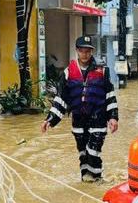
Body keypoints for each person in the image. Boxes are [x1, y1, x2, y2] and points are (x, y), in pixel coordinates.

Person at [41, 36, 119, 182]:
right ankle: (85, 181)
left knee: (93, 151)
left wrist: (113, 117)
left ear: (92, 52)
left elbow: (110, 95)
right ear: (77, 51)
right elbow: (61, 99)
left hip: (98, 118)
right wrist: (50, 120)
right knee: (83, 153)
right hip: (79, 120)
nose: (85, 54)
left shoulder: (103, 70)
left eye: (88, 51)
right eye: (82, 50)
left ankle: (97, 180)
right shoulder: (68, 72)